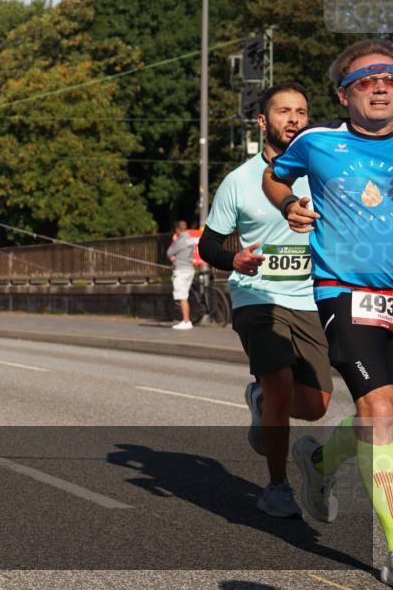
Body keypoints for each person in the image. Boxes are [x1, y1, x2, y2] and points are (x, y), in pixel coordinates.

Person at [263, 39, 393, 582]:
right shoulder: (317, 143)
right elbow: (275, 176)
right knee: (380, 411)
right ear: (343, 95)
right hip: (345, 289)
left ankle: (318, 462)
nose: (381, 85)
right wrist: (289, 204)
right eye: (366, 79)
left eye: (389, 76)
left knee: (378, 416)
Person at [200, 81, 331, 518]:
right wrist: (234, 258)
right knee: (279, 385)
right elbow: (208, 245)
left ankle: (260, 402)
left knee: (315, 406)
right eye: (283, 111)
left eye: (301, 111)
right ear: (263, 121)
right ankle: (277, 487)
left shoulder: (323, 172)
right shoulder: (238, 181)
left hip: (311, 298)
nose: (293, 119)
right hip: (257, 296)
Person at [167, 221, 198, 330]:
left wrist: (173, 242)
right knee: (184, 295)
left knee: (182, 297)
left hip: (181, 270)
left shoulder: (180, 241)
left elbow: (169, 253)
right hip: (189, 269)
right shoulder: (190, 239)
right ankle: (186, 320)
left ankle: (186, 321)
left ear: (177, 230)